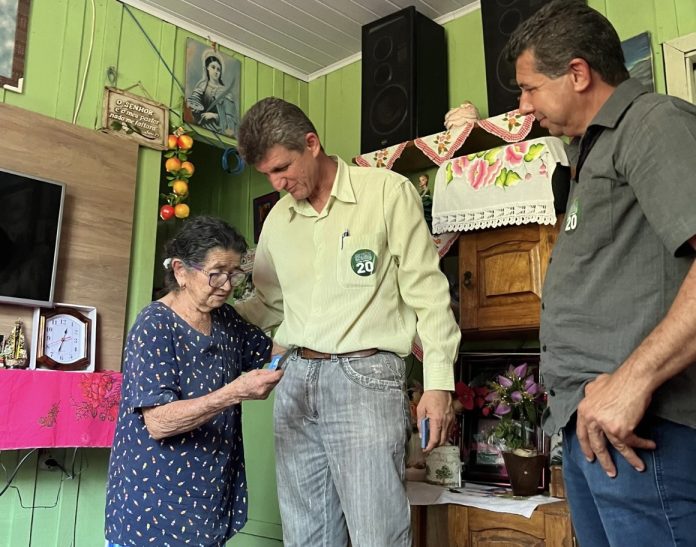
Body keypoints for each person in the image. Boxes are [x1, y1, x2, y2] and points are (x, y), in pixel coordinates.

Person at [504, 2, 696, 545]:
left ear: (578, 73)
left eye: (530, 88)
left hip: (647, 428)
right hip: (594, 427)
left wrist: (632, 382)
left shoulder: (652, 122)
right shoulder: (589, 153)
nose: (523, 106)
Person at [235, 97, 460, 546]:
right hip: (294, 380)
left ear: (311, 143)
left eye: (282, 168)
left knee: (377, 534)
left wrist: (438, 384)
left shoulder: (387, 192)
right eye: (267, 175)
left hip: (365, 378)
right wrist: (204, 314)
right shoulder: (278, 219)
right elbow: (269, 304)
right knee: (306, 537)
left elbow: (429, 293)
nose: (277, 183)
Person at [105, 216, 283, 547]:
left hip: (208, 496)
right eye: (216, 273)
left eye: (234, 274)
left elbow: (271, 350)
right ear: (180, 271)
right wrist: (233, 393)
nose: (227, 286)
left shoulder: (225, 319)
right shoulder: (155, 325)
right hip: (154, 503)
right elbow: (159, 422)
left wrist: (316, 336)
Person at [186, 51, 239, 137]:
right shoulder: (201, 87)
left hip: (219, 132)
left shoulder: (225, 93)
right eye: (213, 67)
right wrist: (193, 107)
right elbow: (194, 103)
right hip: (200, 128)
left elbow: (231, 120)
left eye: (218, 69)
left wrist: (214, 116)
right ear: (207, 68)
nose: (216, 71)